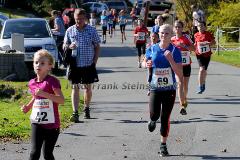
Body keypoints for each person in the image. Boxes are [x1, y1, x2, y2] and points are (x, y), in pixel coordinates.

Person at [144, 24, 183, 156]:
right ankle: (153, 120)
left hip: (169, 89)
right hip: (155, 88)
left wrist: (170, 59)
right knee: (154, 114)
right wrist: (146, 64)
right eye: (161, 33)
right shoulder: (152, 48)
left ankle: (163, 145)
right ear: (158, 34)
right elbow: (144, 62)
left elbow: (180, 73)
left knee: (165, 117)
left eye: (166, 33)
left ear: (171, 35)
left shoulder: (175, 51)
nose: (163, 35)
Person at [21, 49, 65, 160]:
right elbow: (36, 97)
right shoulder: (32, 82)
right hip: (37, 122)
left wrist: (44, 93)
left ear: (50, 66)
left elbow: (61, 100)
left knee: (47, 154)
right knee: (34, 153)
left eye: (42, 63)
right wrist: (28, 106)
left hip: (52, 124)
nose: (38, 65)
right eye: (36, 62)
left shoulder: (52, 81)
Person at [63, 8, 101, 122]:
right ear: (74, 18)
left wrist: (94, 62)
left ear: (85, 18)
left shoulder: (91, 30)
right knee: (75, 88)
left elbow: (97, 46)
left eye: (81, 19)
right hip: (74, 65)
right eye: (76, 19)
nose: (78, 21)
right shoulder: (70, 30)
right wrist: (69, 47)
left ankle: (86, 107)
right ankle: (75, 112)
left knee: (87, 88)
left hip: (88, 64)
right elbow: (64, 46)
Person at [171, 20, 195, 115]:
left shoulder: (186, 38)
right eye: (176, 27)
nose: (177, 29)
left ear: (182, 28)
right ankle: (182, 105)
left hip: (186, 65)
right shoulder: (172, 39)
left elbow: (194, 49)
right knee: (180, 84)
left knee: (185, 86)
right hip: (177, 66)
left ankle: (184, 99)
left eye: (179, 27)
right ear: (174, 28)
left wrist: (184, 46)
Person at [194, 21, 215, 94]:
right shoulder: (196, 35)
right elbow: (195, 44)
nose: (200, 27)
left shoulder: (208, 34)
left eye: (202, 26)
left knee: (204, 70)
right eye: (199, 26)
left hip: (207, 55)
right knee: (201, 69)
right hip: (199, 54)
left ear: (205, 27)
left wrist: (208, 43)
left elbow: (214, 42)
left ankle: (203, 82)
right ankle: (200, 86)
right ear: (197, 27)